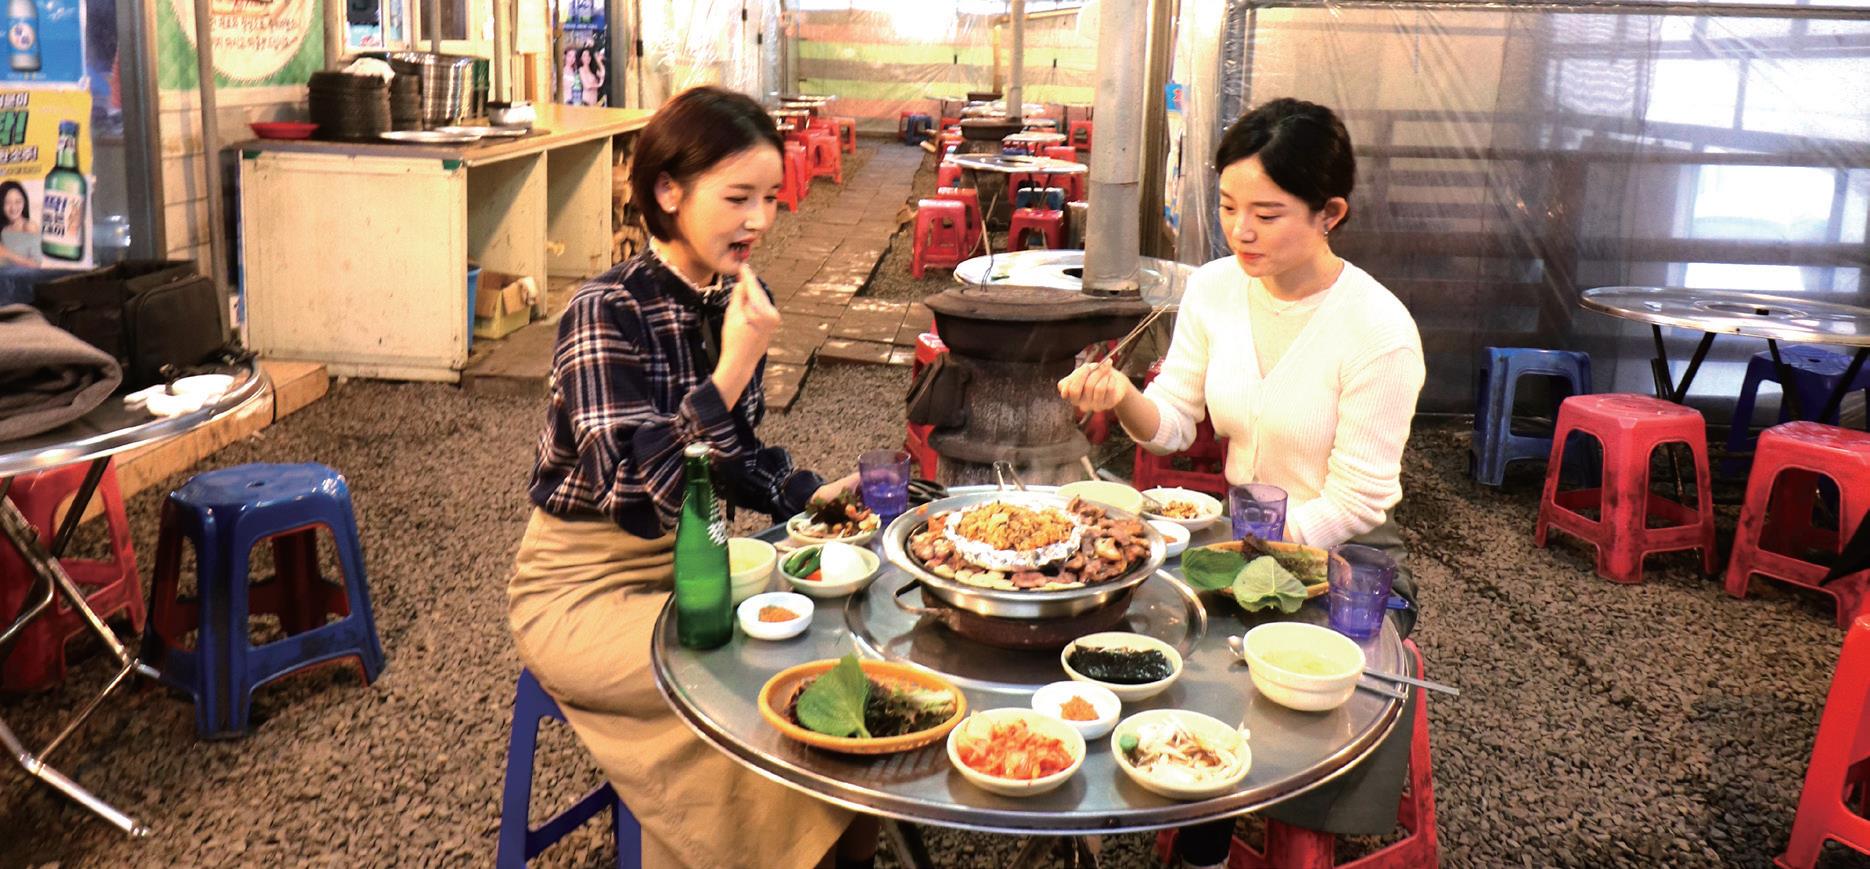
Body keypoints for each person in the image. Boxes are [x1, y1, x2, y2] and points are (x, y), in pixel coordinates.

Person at [1058, 97, 1426, 869]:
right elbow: (1174, 421)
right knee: (1145, 628)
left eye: (1267, 213)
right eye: (1228, 206)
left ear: (1329, 213)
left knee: (1232, 666)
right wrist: (1121, 395)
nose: (1240, 231)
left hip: (1349, 559)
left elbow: (1359, 498)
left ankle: (1223, 828)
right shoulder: (1217, 288)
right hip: (1245, 537)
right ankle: (1180, 813)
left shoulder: (1379, 328)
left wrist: (1254, 563)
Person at [509, 85, 871, 869]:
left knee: (822, 656)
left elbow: (729, 456)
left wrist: (807, 497)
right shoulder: (605, 310)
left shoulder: (733, 301)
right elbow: (637, 498)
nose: (759, 219)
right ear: (669, 191)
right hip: (582, 589)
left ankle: (838, 846)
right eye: (738, 197)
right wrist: (731, 369)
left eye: (769, 197)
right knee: (748, 682)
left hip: (696, 567)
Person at [0, 181, 37, 267]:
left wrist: (7, 254)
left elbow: (36, 265)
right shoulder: (3, 228)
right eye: (7, 203)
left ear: (24, 202)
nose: (13, 208)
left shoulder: (29, 226)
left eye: (18, 202)